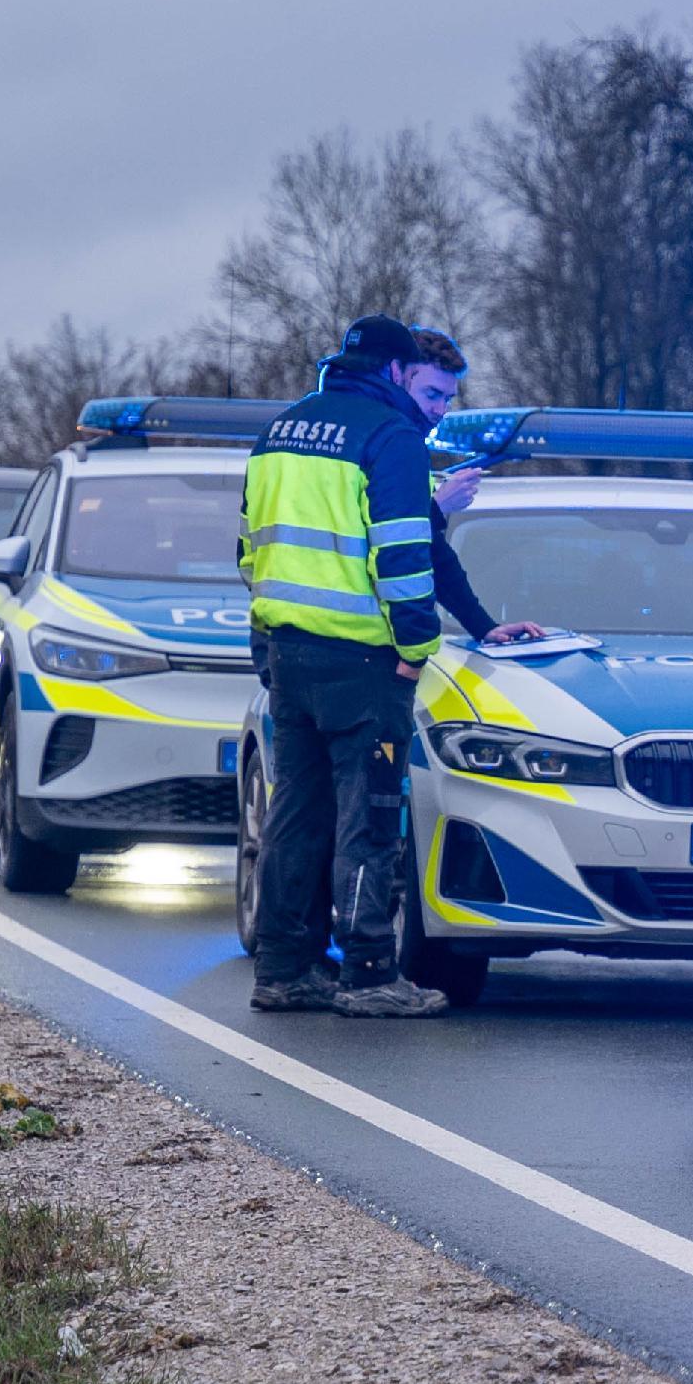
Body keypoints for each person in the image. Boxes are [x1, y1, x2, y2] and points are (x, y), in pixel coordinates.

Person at [240, 316, 531, 1015]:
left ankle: (282, 969)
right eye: (429, 391)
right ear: (398, 372)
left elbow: (252, 548)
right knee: (370, 817)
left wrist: (266, 644)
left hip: (290, 652)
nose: (435, 413)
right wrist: (415, 652)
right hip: (365, 662)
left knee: (295, 814)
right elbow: (404, 558)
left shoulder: (282, 429)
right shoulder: (389, 436)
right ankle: (368, 973)